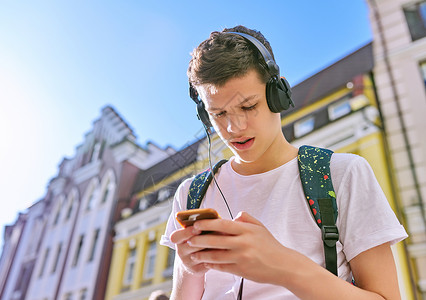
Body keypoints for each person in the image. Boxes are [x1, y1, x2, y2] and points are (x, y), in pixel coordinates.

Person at [160, 25, 407, 299]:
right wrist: (188, 266)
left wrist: (282, 266)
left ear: (278, 93)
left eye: (248, 106)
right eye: (218, 113)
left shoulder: (341, 174)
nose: (234, 127)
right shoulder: (191, 194)